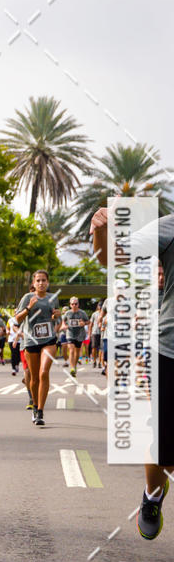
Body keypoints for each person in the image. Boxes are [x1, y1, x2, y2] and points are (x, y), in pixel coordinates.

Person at [92, 208, 173, 540]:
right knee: (164, 451)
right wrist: (101, 231)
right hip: (170, 350)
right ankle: (152, 495)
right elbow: (111, 257)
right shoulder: (170, 228)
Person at [14, 269, 60, 426]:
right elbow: (17, 319)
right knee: (33, 379)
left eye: (44, 280)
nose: (41, 283)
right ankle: (34, 405)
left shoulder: (53, 298)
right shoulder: (27, 297)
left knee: (44, 372)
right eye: (38, 280)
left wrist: (56, 315)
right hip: (31, 341)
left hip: (49, 340)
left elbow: (54, 317)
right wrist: (28, 308)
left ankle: (40, 411)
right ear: (33, 283)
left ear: (48, 283)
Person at [61, 296, 89, 377]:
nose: (74, 305)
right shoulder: (67, 313)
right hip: (70, 333)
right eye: (72, 304)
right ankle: (72, 367)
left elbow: (88, 321)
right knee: (71, 349)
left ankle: (75, 365)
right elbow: (63, 321)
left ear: (78, 304)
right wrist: (64, 326)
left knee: (77, 352)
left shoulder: (82, 313)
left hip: (80, 335)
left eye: (76, 304)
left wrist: (84, 323)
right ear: (70, 305)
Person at [89, 301, 102, 368]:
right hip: (95, 332)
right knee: (94, 347)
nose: (100, 307)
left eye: (101, 306)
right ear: (97, 306)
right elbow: (91, 324)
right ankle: (94, 361)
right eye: (99, 306)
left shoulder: (106, 314)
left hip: (102, 333)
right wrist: (89, 333)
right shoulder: (94, 314)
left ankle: (100, 361)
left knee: (101, 348)